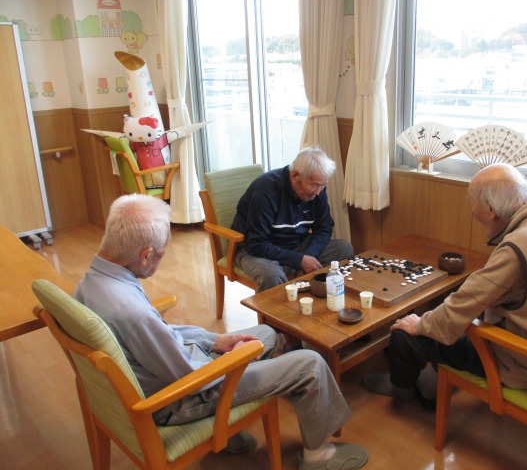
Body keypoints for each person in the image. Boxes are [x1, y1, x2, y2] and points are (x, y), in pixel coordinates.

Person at [73, 194, 368, 470]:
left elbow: (161, 331)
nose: (161, 261)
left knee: (265, 334)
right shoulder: (131, 311)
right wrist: (232, 360)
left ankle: (231, 422)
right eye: (161, 255)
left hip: (166, 372)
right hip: (179, 397)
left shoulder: (93, 282)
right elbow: (188, 375)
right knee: (309, 363)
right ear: (145, 255)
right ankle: (317, 455)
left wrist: (216, 341)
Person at [365, 163, 527, 406]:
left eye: (474, 205)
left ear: (491, 210)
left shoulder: (518, 249)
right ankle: (431, 382)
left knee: (406, 334)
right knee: (455, 310)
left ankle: (402, 390)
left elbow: (456, 311)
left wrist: (418, 324)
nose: (473, 211)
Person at [232, 146, 353, 292]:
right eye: (314, 185)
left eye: (323, 185)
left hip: (295, 244)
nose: (318, 192)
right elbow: (256, 244)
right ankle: (278, 307)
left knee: (344, 249)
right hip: (255, 250)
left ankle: (314, 297)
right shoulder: (265, 191)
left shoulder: (318, 190)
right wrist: (299, 260)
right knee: (272, 276)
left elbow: (324, 227)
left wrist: (306, 256)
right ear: (295, 176)